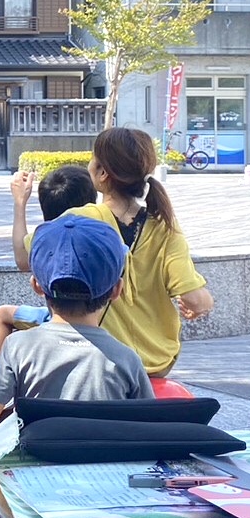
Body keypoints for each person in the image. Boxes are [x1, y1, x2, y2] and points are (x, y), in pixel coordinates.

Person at [0, 215, 153, 446]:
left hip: (30, 473)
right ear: (116, 290)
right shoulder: (126, 359)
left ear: (37, 285)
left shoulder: (19, 347)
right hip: (104, 474)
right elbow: (149, 429)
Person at [64, 127, 213, 378]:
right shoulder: (164, 225)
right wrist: (202, 305)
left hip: (100, 359)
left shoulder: (79, 219)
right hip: (157, 361)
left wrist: (19, 205)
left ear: (102, 173)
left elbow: (25, 258)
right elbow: (195, 300)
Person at [0, 165, 98, 361]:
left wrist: (20, 202)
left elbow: (22, 260)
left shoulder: (44, 238)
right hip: (97, 317)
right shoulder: (102, 236)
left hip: (56, 318)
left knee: (2, 315)